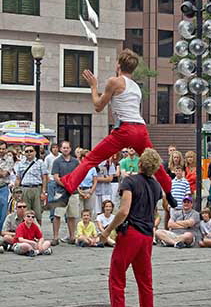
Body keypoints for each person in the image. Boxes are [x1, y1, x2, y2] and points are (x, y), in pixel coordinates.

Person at [48, 49, 176, 209]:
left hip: (125, 129)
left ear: (118, 65)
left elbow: (98, 106)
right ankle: (169, 193)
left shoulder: (114, 81)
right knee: (154, 161)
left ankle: (67, 191)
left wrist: (93, 87)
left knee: (90, 160)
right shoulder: (136, 87)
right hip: (141, 129)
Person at [99, 148, 163, 307]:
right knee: (145, 283)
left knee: (116, 279)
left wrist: (107, 231)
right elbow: (156, 211)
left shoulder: (130, 181)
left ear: (140, 163)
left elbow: (124, 211)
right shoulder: (156, 186)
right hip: (146, 237)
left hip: (131, 234)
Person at [51, 141, 80, 246]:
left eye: (67, 148)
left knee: (72, 215)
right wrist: (66, 185)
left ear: (70, 149)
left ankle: (72, 236)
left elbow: (78, 175)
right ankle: (55, 237)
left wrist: (72, 185)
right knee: (57, 215)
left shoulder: (75, 162)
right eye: (64, 148)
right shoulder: (57, 162)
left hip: (73, 193)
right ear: (60, 149)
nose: (65, 149)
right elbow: (56, 177)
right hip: (61, 192)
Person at [15, 145, 48, 225]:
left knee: (38, 213)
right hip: (24, 189)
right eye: (26, 151)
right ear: (24, 153)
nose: (29, 153)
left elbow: (44, 178)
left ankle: (38, 232)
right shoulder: (20, 164)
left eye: (31, 151)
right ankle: (25, 232)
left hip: (37, 189)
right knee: (25, 212)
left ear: (35, 152)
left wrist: (44, 192)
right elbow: (18, 178)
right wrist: (16, 191)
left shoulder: (40, 163)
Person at [77, 149, 97, 217]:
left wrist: (90, 192)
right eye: (85, 157)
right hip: (79, 190)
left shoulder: (92, 168)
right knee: (79, 212)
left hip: (89, 190)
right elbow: (75, 181)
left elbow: (95, 181)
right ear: (81, 157)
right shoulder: (77, 167)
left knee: (89, 211)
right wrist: (80, 192)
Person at [0, 141, 14, 231]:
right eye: (0, 148)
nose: (1, 150)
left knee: (3, 212)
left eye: (3, 149)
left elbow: (4, 174)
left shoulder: (9, 159)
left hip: (3, 187)